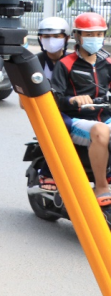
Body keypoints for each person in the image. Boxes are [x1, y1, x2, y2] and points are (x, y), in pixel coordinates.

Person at [50, 12, 111, 205]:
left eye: (99, 34)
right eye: (89, 35)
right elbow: (54, 98)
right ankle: (101, 187)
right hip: (77, 121)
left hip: (105, 116)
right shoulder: (65, 64)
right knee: (101, 131)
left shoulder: (108, 62)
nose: (95, 38)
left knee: (104, 127)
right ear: (77, 36)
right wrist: (73, 100)